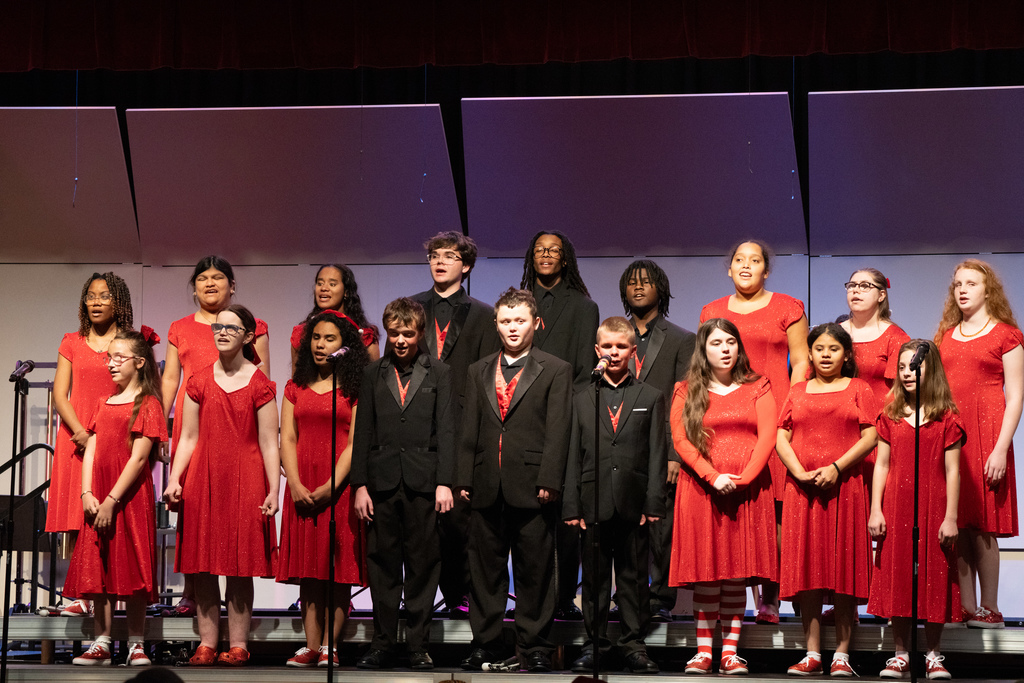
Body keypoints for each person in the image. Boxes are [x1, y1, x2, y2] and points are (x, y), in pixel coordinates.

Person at [456, 288, 572, 673]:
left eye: (520, 320)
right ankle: (486, 642)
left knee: (534, 570)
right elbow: (468, 427)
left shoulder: (555, 368)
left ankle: (534, 645)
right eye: (505, 321)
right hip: (486, 481)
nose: (512, 328)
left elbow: (559, 430)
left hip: (533, 483)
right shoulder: (479, 369)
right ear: (496, 324)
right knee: (484, 571)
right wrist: (463, 477)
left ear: (535, 323)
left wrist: (551, 477)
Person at [162, 305, 280, 667]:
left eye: (232, 327)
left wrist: (274, 490)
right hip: (204, 475)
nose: (222, 332)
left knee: (240, 566)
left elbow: (269, 442)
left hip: (246, 476)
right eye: (218, 326)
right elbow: (188, 438)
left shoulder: (260, 383)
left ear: (248, 335)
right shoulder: (198, 380)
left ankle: (240, 643)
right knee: (204, 566)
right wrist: (174, 478)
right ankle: (208, 643)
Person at [700, 240, 809, 623]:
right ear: (729, 269)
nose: (747, 266)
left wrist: (794, 411)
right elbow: (704, 364)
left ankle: (771, 598)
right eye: (739, 260)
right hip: (728, 419)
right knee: (737, 509)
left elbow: (801, 362)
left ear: (766, 270)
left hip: (777, 414)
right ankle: (737, 598)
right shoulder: (712, 311)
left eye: (755, 260)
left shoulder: (788, 307)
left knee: (776, 509)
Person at [160, 256, 270, 617]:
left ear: (232, 285)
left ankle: (231, 616)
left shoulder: (254, 326)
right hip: (195, 425)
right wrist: (162, 425)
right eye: (203, 278)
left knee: (233, 516)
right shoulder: (181, 327)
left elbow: (261, 377)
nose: (210, 283)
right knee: (193, 512)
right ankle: (191, 591)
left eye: (218, 277)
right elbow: (171, 380)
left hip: (237, 427)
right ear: (194, 287)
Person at [351, 298, 455, 670]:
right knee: (382, 564)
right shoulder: (373, 372)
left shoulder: (440, 372)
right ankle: (382, 643)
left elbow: (446, 429)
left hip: (424, 482)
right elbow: (363, 431)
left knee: (424, 565)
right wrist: (359, 485)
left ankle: (417, 645)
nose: (399, 340)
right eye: (394, 333)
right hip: (381, 483)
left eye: (407, 333)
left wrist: (445, 481)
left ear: (420, 333)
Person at [669, 319, 778, 675]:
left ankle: (730, 652)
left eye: (731, 342)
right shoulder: (685, 390)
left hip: (745, 492)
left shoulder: (759, 386)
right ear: (704, 349)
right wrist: (713, 476)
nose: (726, 349)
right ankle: (703, 651)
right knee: (707, 572)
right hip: (703, 489)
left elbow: (767, 437)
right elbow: (681, 440)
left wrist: (744, 479)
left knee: (734, 572)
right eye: (717, 343)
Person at [48, 272, 156, 617]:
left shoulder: (127, 344)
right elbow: (59, 394)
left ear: (118, 302)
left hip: (114, 438)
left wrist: (95, 435)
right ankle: (83, 593)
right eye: (91, 296)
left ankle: (106, 594)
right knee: (82, 509)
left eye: (104, 296)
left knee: (112, 512)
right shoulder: (71, 341)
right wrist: (81, 432)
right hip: (76, 434)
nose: (95, 301)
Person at [562, 317, 665, 674]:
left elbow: (655, 453)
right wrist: (572, 505)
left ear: (633, 351)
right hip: (592, 502)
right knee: (593, 578)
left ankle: (633, 643)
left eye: (621, 347)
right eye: (607, 346)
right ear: (597, 350)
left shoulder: (650, 396)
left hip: (634, 504)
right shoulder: (582, 396)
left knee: (634, 578)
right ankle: (596, 644)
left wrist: (653, 502)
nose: (614, 352)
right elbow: (573, 454)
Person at [777, 323, 876, 676]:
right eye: (819, 348)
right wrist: (800, 472)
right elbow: (781, 437)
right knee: (808, 572)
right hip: (802, 490)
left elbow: (871, 436)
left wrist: (836, 467)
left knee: (843, 570)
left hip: (845, 488)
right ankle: (812, 653)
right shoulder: (798, 391)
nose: (825, 355)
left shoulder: (859, 388)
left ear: (846, 354)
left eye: (833, 348)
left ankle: (842, 655)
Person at [410, 231, 501, 618]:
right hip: (416, 425)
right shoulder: (411, 306)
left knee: (460, 518)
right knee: (419, 518)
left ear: (465, 265)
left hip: (463, 424)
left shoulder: (482, 313)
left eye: (449, 256)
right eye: (434, 255)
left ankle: (460, 592)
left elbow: (485, 376)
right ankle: (419, 596)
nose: (440, 261)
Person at [64, 330, 166, 666]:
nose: (111, 364)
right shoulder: (103, 402)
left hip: (128, 497)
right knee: (100, 565)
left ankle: (136, 643)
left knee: (133, 565)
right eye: (109, 357)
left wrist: (111, 500)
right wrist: (86, 492)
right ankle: (102, 641)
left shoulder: (148, 404)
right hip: (99, 495)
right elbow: (90, 449)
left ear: (139, 362)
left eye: (118, 357)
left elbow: (139, 459)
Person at [277, 310, 371, 668]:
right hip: (302, 484)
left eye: (329, 339)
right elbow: (287, 437)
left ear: (344, 345)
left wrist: (332, 485)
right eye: (316, 338)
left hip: (338, 486)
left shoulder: (353, 388)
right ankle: (310, 645)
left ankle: (332, 646)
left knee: (337, 570)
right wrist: (296, 482)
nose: (320, 345)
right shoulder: (294, 386)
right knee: (310, 572)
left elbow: (354, 442)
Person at [868, 340, 964, 680]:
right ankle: (900, 653)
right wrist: (875, 509)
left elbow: (953, 470)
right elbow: (881, 465)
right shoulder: (890, 415)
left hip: (934, 505)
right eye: (903, 367)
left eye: (915, 366)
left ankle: (934, 654)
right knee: (898, 576)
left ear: (930, 369)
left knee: (935, 575)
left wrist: (951, 517)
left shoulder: (946, 417)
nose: (907, 373)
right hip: (896, 505)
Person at [935, 259, 1023, 628]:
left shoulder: (1006, 335)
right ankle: (966, 607)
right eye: (958, 284)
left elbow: (1016, 396)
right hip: (953, 436)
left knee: (984, 525)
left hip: (988, 435)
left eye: (971, 283)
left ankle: (991, 608)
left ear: (988, 291)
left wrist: (1001, 447)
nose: (963, 290)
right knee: (958, 523)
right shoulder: (946, 335)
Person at [520, 230, 599, 620]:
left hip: (565, 421)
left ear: (565, 258)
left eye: (553, 250)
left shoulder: (583, 307)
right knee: (525, 517)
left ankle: (565, 596)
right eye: (539, 250)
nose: (546, 255)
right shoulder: (518, 304)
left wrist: (571, 420)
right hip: (519, 421)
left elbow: (584, 372)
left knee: (567, 518)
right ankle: (529, 600)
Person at [619, 259, 696, 622]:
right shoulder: (613, 336)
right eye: (632, 283)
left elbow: (683, 401)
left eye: (646, 282)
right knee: (623, 525)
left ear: (660, 290)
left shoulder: (682, 339)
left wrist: (675, 454)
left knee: (660, 528)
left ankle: (660, 598)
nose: (638, 287)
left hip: (661, 447)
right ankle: (627, 596)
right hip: (618, 445)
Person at [839, 268, 911, 489]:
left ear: (881, 295)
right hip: (840, 426)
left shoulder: (895, 337)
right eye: (852, 286)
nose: (856, 291)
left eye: (865, 286)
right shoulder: (835, 334)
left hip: (880, 430)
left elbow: (899, 391)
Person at [289, 263, 380, 370]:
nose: (323, 288)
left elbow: (373, 382)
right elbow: (296, 380)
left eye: (332, 284)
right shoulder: (302, 333)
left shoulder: (364, 337)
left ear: (346, 292)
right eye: (320, 283)